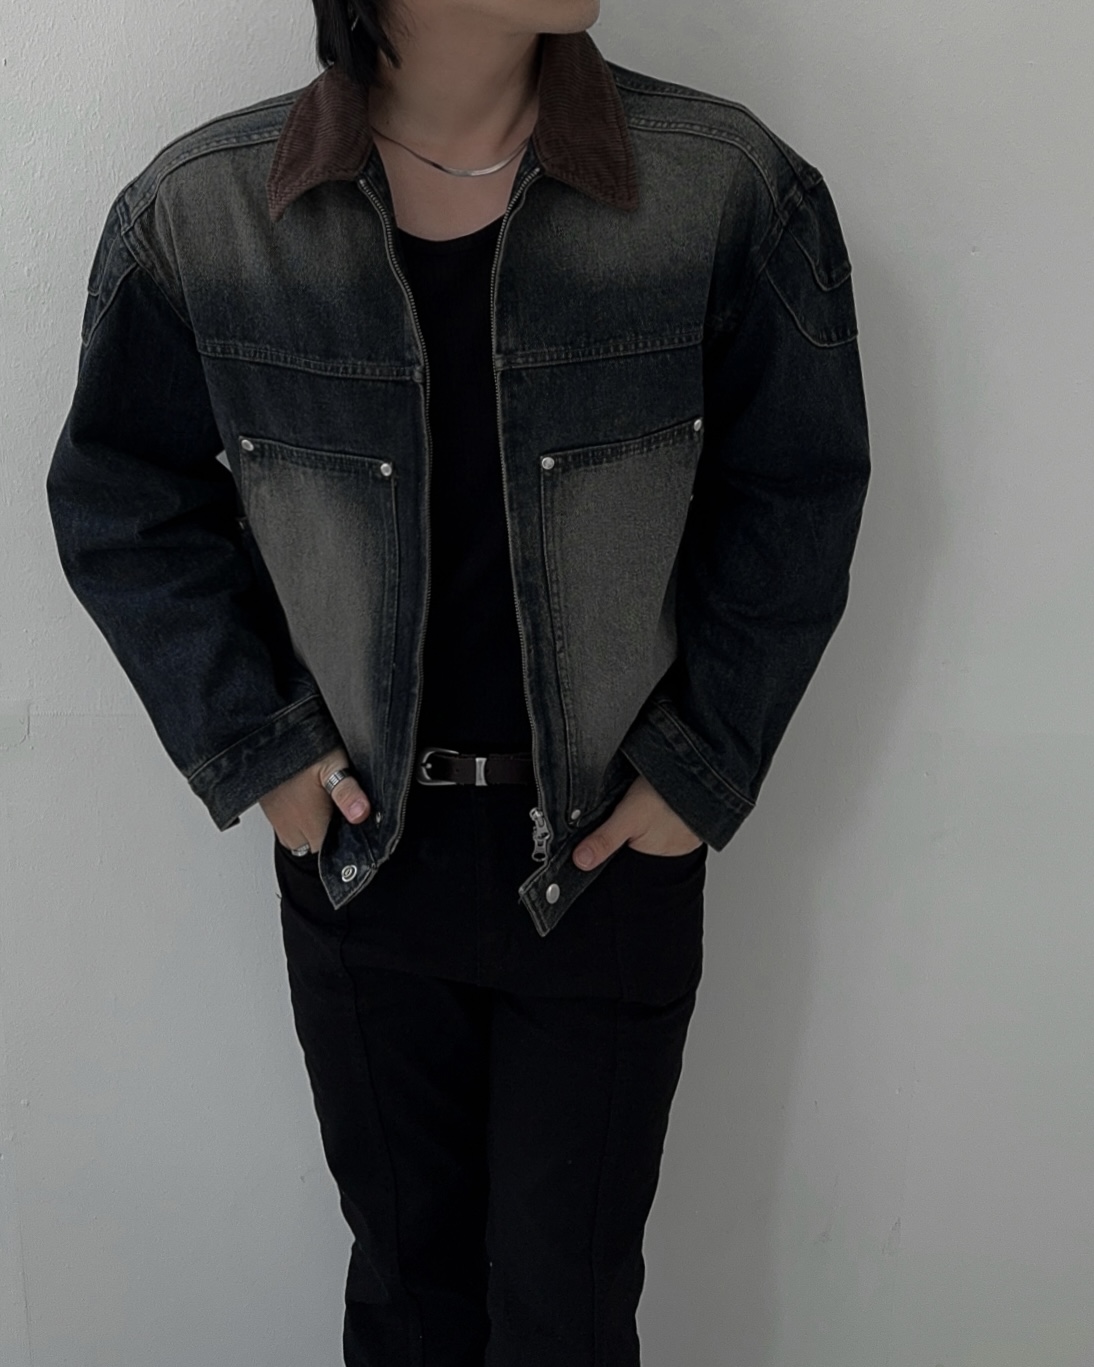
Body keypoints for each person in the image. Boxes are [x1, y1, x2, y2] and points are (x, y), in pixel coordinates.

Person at [45, 0, 870, 1361]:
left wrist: (697, 769)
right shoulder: (210, 212)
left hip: (602, 866)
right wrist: (265, 752)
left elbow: (795, 490)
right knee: (407, 1302)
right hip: (364, 862)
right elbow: (120, 499)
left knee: (566, 1318)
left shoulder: (721, 187)